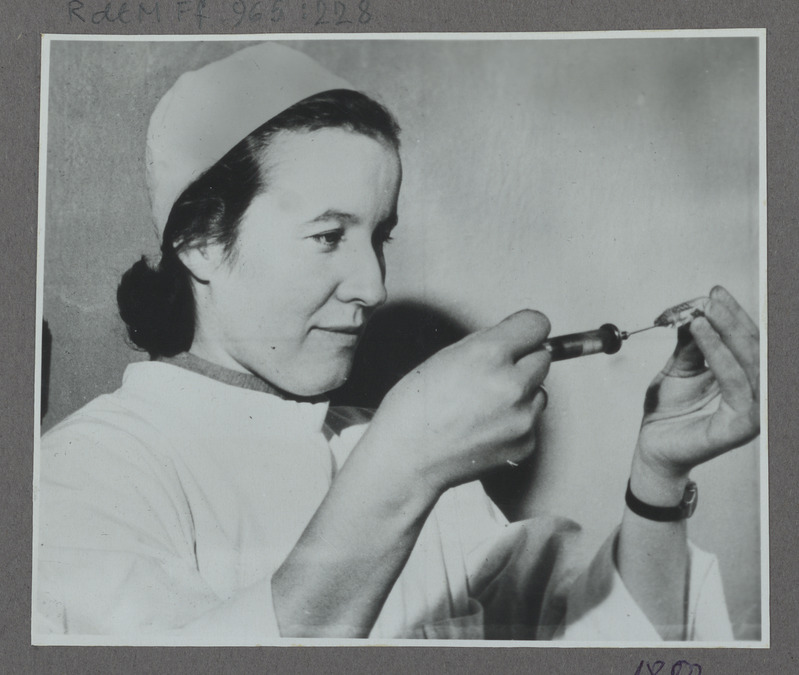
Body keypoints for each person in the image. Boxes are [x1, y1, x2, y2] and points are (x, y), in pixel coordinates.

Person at [34, 43, 759, 643]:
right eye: (328, 236)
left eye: (378, 235)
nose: (373, 286)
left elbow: (601, 638)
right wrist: (403, 464)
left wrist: (657, 480)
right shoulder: (86, 473)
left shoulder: (382, 449)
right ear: (198, 242)